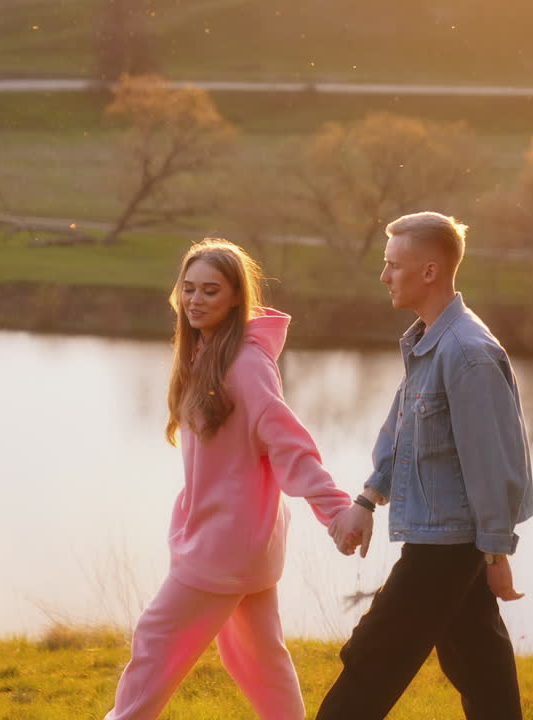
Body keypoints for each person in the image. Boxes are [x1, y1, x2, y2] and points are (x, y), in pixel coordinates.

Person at [104, 238, 355, 720]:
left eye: (210, 291)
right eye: (189, 289)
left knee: (155, 640)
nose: (196, 300)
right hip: (245, 539)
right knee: (259, 658)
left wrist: (336, 511)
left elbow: (289, 444)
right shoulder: (207, 354)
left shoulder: (245, 364)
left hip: (226, 542)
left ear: (238, 297)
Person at [322, 211, 533, 719]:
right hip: (441, 535)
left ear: (430, 271)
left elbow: (493, 462)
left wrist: (495, 552)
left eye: (393, 265)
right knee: (480, 663)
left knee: (371, 658)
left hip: (449, 545)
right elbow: (405, 434)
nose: (383, 276)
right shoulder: (429, 341)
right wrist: (366, 500)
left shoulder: (468, 353)